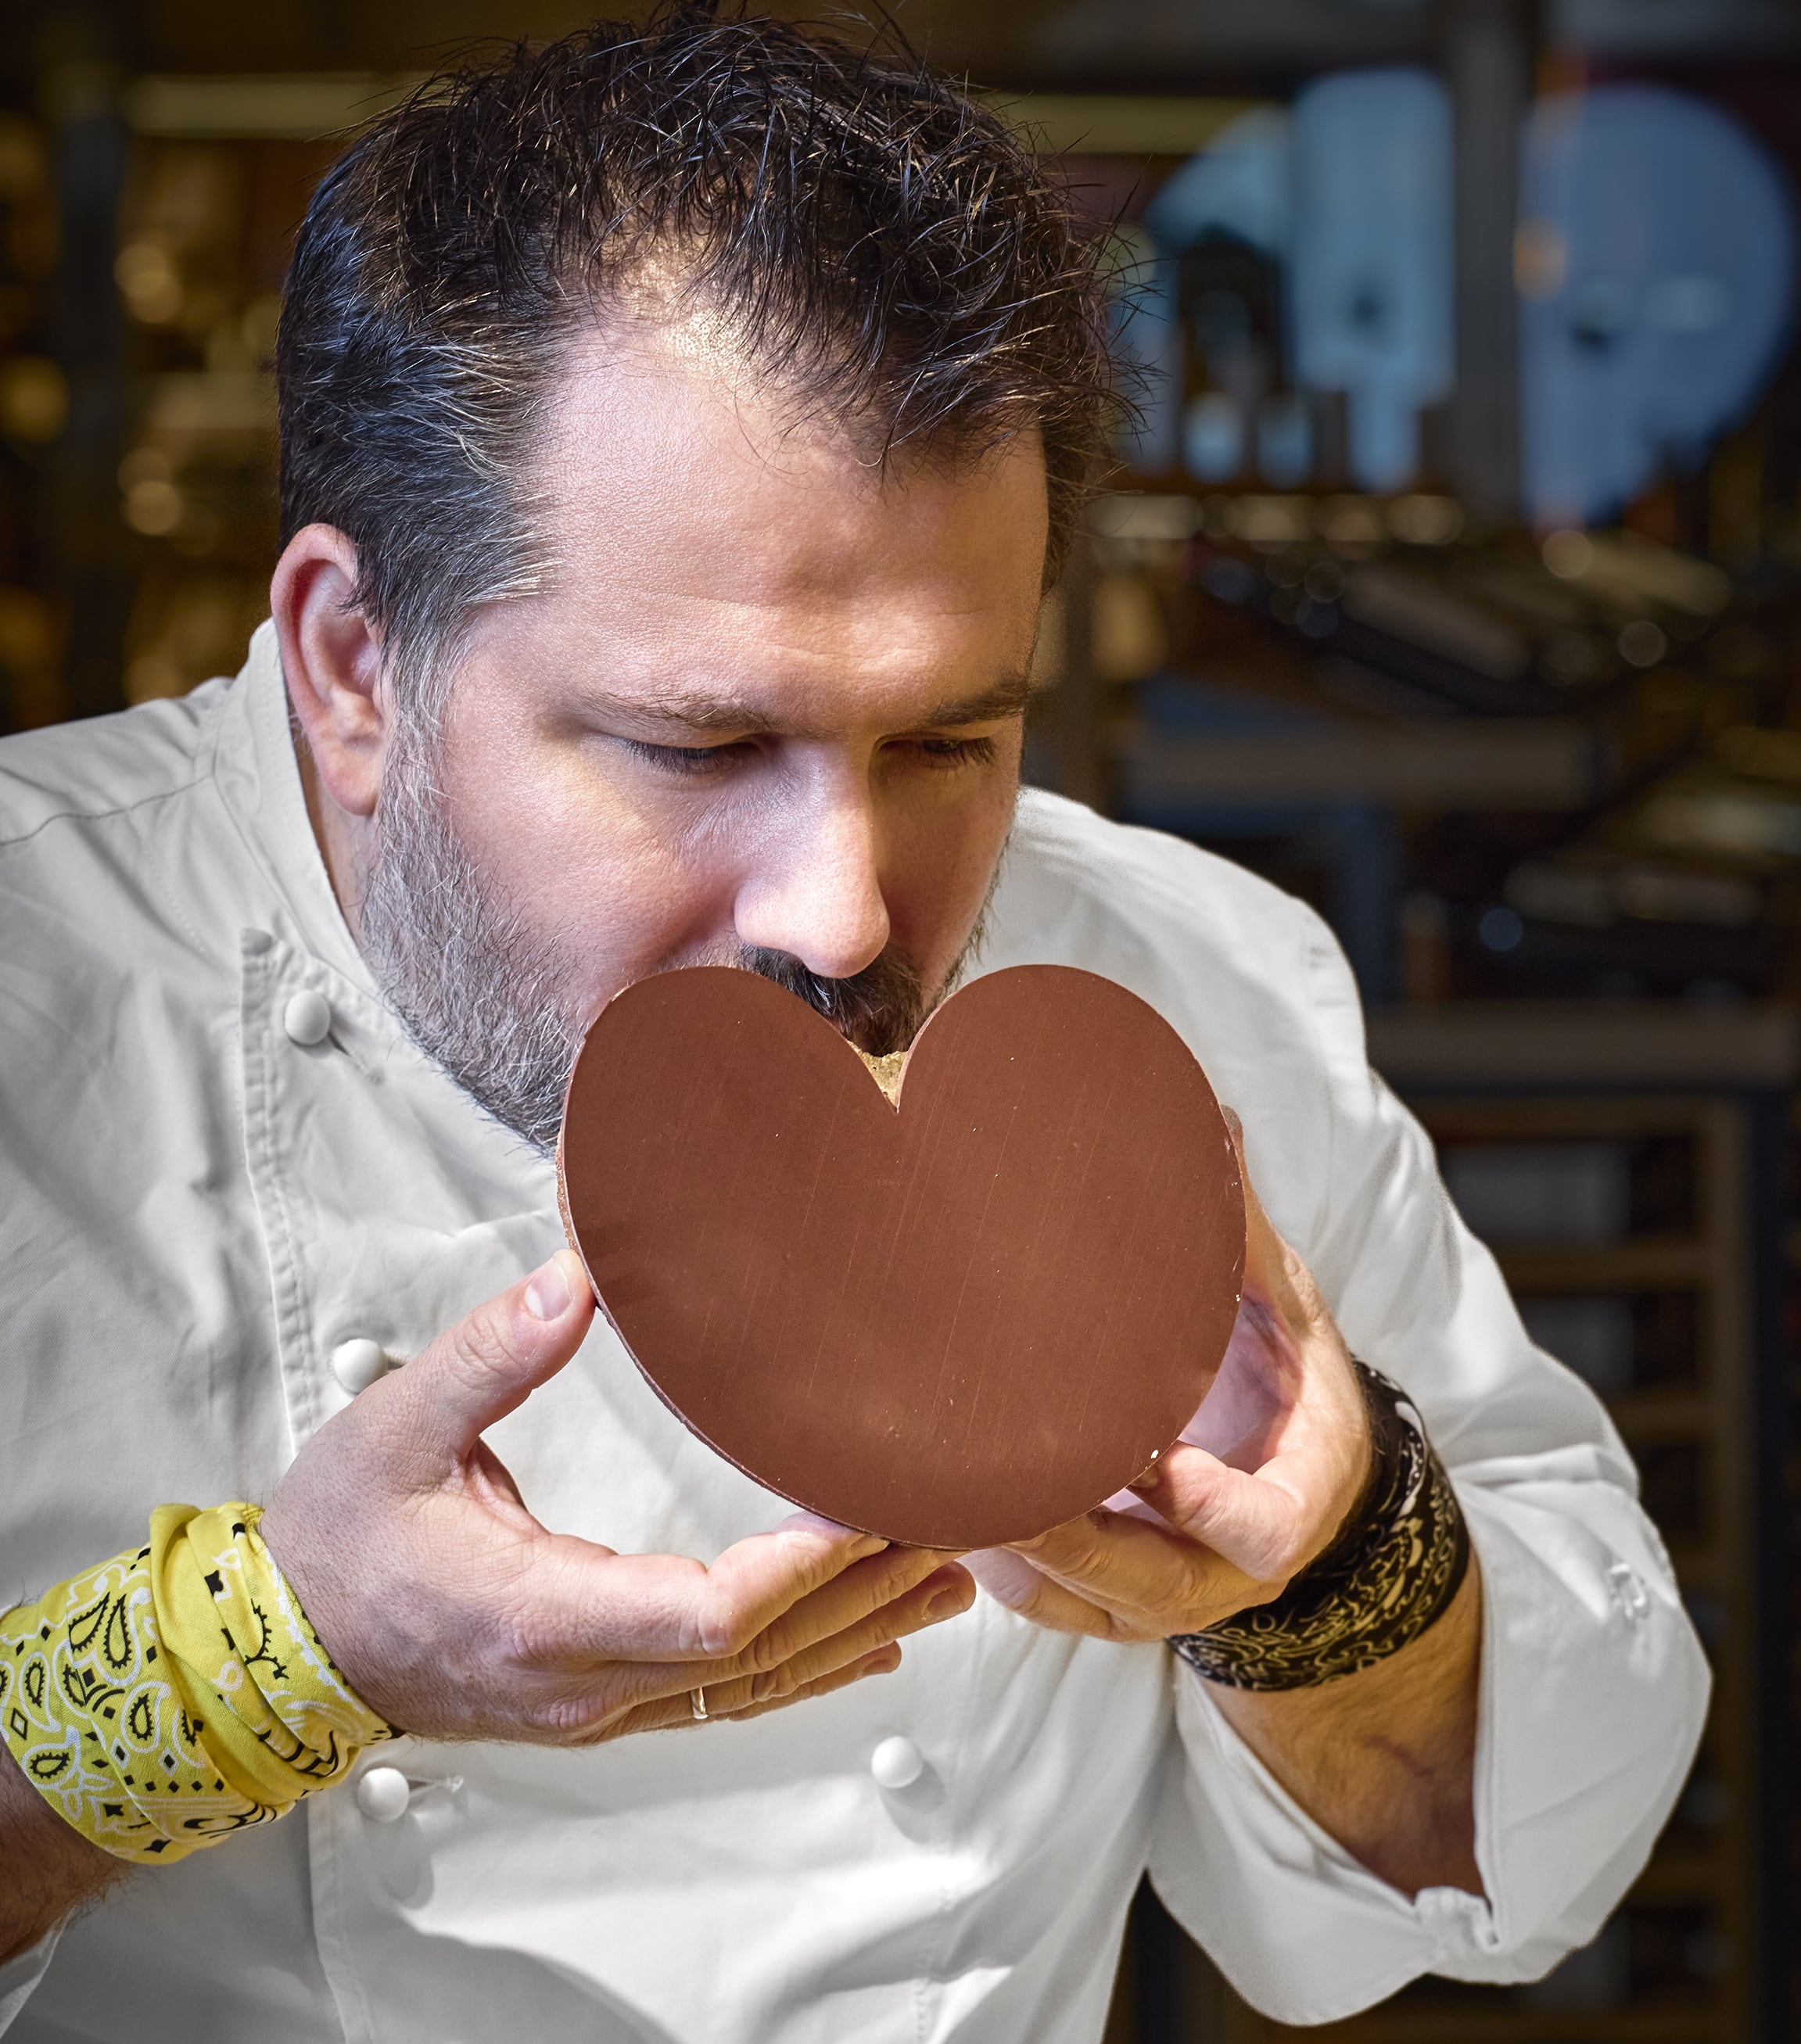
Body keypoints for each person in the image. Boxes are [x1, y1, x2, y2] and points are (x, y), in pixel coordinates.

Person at [0, 11, 1706, 2041]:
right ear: (355, 663)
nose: (847, 905)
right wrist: (258, 1657)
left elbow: (1521, 1846)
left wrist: (1332, 1572)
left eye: (950, 738)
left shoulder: (1181, 1007)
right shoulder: (42, 977)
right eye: (700, 743)